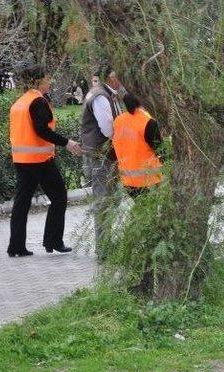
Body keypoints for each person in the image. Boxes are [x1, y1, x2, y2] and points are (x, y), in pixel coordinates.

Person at [7, 64, 82, 257]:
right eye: (47, 79)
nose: (50, 82)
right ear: (37, 81)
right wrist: (67, 142)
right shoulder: (37, 101)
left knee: (22, 202)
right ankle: (53, 241)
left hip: (21, 159)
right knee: (59, 197)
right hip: (39, 159)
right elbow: (42, 130)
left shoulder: (19, 102)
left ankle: (16, 247)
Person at [81, 65, 126, 256]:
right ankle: (103, 250)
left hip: (106, 154)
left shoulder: (107, 94)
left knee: (111, 200)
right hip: (101, 155)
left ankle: (107, 243)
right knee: (103, 201)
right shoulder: (100, 96)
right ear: (111, 77)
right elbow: (108, 129)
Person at [112, 93, 163, 197]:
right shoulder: (148, 121)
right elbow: (160, 149)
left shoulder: (118, 121)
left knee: (142, 209)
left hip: (127, 179)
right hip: (149, 179)